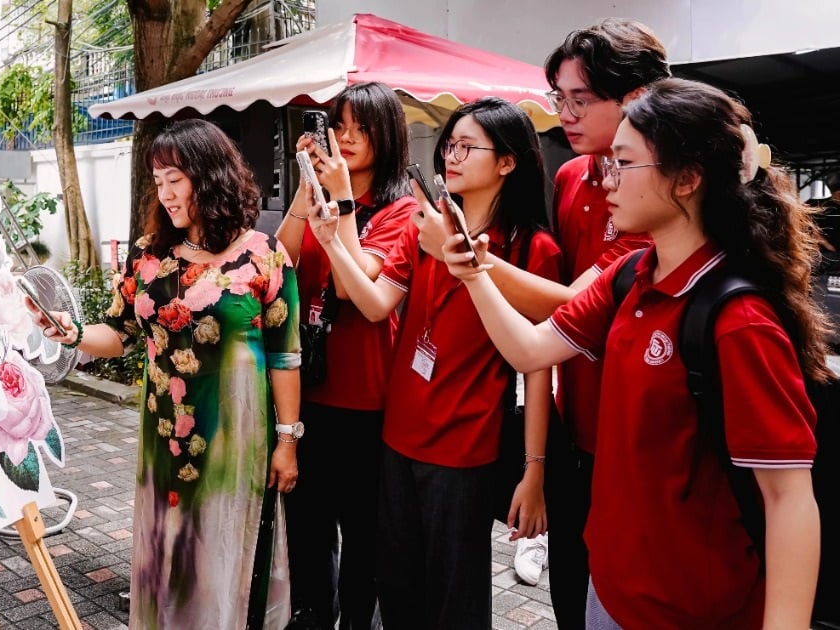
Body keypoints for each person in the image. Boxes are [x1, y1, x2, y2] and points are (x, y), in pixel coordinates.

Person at [441, 78, 824, 629]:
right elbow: (530, 350)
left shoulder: (737, 322)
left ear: (688, 179)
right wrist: (474, 273)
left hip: (692, 610)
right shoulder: (628, 276)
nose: (607, 182)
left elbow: (788, 499)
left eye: (624, 163)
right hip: (612, 589)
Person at [30, 119, 302, 629]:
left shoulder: (263, 255)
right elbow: (118, 333)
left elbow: (286, 356)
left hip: (234, 442)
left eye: (175, 178)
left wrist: (288, 441)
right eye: (158, 182)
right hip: (164, 438)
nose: (166, 193)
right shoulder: (148, 254)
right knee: (170, 547)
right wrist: (69, 333)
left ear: (210, 174)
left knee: (223, 544)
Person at [445, 19, 670, 623]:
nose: (565, 115)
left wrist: (477, 261)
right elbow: (560, 321)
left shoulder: (660, 195)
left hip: (642, 435)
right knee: (572, 592)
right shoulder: (572, 178)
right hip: (578, 422)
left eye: (580, 100)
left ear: (637, 100)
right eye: (558, 99)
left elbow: (572, 304)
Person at [307, 97, 559, 628]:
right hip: (397, 436)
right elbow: (374, 303)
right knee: (396, 587)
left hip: (464, 446)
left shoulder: (530, 247)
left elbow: (539, 366)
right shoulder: (426, 229)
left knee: (454, 598)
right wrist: (332, 239)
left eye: (468, 147)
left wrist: (534, 470)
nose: (453, 156)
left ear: (508, 162)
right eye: (450, 145)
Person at [274, 81, 418, 630]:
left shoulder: (400, 211)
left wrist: (343, 207)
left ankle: (359, 620)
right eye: (340, 126)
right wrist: (303, 193)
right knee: (307, 532)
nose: (347, 137)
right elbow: (280, 262)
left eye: (362, 128)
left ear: (388, 136)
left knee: (364, 538)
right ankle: (314, 616)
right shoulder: (320, 198)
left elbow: (361, 287)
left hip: (366, 402)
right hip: (306, 395)